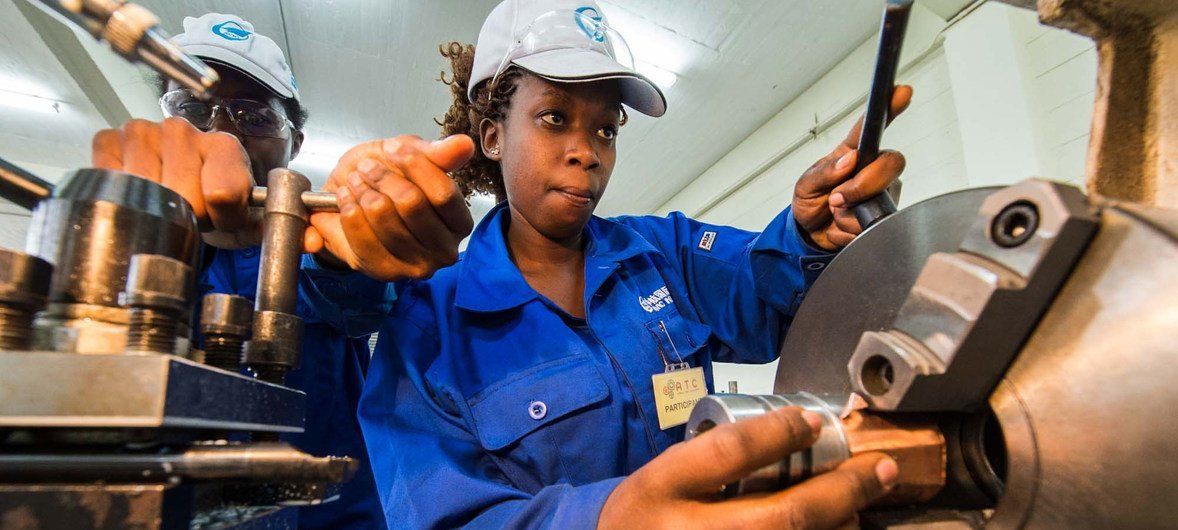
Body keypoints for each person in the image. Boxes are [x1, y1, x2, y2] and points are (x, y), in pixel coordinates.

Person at [352, 0, 912, 527]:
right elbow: (439, 513)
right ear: (493, 137)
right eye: (553, 117)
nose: (587, 151)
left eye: (606, 129)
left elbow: (763, 289)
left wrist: (810, 240)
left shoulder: (662, 253)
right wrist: (610, 516)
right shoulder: (429, 321)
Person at [89, 13, 474, 529]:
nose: (223, 132)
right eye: (193, 108)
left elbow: (353, 291)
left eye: (253, 115)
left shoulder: (315, 241)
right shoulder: (138, 248)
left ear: (294, 141)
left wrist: (351, 244)